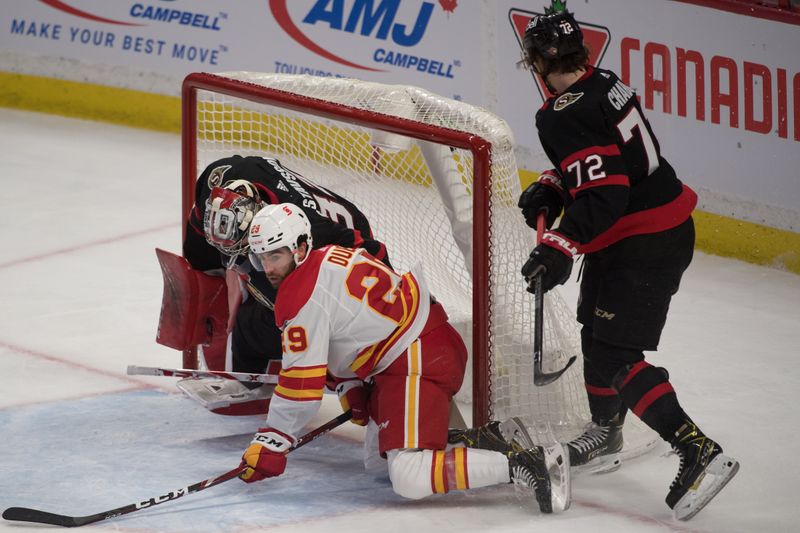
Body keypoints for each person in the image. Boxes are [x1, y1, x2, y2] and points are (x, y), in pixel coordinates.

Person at [513, 1, 739, 520]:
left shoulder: (560, 114)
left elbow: (605, 194)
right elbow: (616, 161)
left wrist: (559, 245)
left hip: (644, 241)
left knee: (616, 354)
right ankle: (606, 433)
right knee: (595, 335)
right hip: (642, 229)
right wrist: (552, 185)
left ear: (538, 62)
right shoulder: (603, 82)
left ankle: (696, 450)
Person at [236, 203, 571, 514]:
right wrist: (349, 383)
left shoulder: (299, 295)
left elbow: (301, 386)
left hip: (416, 358)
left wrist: (273, 440)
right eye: (260, 258)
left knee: (408, 475)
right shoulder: (327, 256)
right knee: (378, 463)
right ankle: (486, 440)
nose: (267, 268)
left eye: (275, 256)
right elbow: (347, 329)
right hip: (417, 346)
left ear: (299, 246)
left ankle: (531, 464)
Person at [179, 155, 391, 411]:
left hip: (339, 236)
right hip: (277, 228)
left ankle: (346, 372)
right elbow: (200, 243)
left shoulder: (307, 230)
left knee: (293, 307)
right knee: (258, 308)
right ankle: (257, 370)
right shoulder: (216, 181)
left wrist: (395, 299)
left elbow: (371, 251)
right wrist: (209, 285)